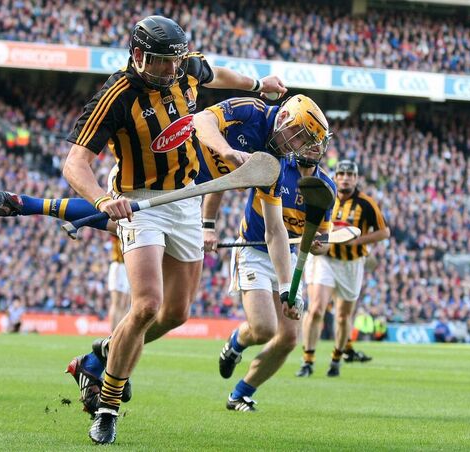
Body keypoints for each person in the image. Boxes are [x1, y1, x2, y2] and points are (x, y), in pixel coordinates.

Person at [60, 15, 286, 444]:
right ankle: (107, 404)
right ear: (139, 55)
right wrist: (104, 201)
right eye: (162, 62)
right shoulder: (116, 96)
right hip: (140, 201)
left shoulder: (185, 69)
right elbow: (75, 162)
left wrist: (256, 85)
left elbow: (216, 73)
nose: (171, 70)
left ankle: (99, 356)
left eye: (175, 61)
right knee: (146, 306)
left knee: (176, 314)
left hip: (185, 197)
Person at [199, 95, 335, 411]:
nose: (309, 146)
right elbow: (226, 183)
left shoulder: (325, 186)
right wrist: (208, 224)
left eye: (313, 141)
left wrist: (318, 244)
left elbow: (323, 237)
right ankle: (236, 343)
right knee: (263, 329)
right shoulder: (273, 163)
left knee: (289, 338)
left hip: (287, 259)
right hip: (256, 252)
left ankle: (241, 393)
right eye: (303, 137)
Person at [298, 160, 390, 377]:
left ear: (356, 178)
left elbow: (384, 232)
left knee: (342, 316)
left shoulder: (366, 204)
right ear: (336, 176)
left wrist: (356, 241)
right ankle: (307, 360)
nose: (345, 178)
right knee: (316, 308)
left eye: (350, 174)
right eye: (341, 174)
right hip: (324, 260)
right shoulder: (324, 196)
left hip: (351, 264)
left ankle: (336, 359)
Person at [107, 236, 131, 330]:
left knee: (125, 304)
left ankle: (121, 333)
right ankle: (112, 335)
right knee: (116, 303)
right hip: (119, 264)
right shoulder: (119, 224)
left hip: (128, 265)